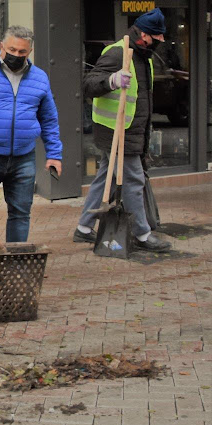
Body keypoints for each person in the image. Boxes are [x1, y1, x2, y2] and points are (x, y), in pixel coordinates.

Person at [74, 8, 171, 253]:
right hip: (117, 131)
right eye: (158, 38)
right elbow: (88, 84)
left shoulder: (143, 56)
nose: (161, 43)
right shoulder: (118, 53)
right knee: (134, 179)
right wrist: (112, 81)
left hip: (130, 130)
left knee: (103, 176)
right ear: (145, 35)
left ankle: (84, 228)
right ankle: (142, 233)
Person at [0, 26, 62, 244]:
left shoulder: (40, 78)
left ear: (30, 52)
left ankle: (15, 265)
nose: (16, 55)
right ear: (1, 47)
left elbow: (49, 119)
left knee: (20, 215)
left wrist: (54, 154)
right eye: (12, 50)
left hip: (23, 157)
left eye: (22, 52)